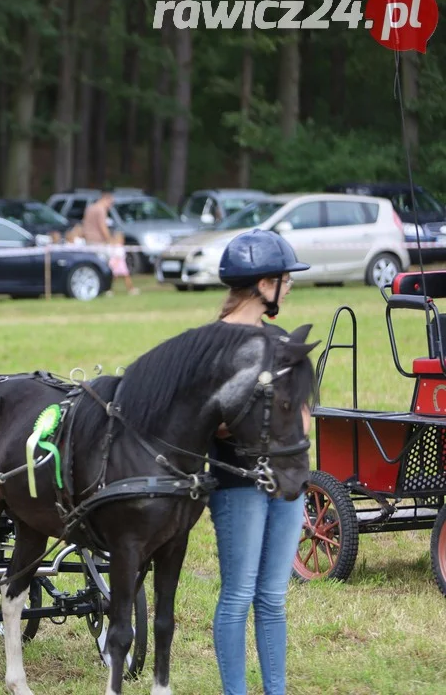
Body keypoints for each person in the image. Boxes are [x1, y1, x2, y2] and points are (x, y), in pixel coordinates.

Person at [209, 228, 312, 695]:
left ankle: (276, 691)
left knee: (272, 596)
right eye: (286, 280)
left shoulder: (285, 340)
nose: (289, 288)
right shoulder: (211, 346)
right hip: (237, 483)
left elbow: (304, 418)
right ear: (264, 283)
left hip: (287, 482)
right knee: (238, 596)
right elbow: (208, 423)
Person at [105, 231, 139, 296]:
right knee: (114, 278)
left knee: (125, 276)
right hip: (116, 264)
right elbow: (117, 255)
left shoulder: (118, 246)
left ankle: (131, 289)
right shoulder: (114, 247)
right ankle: (109, 290)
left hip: (120, 264)